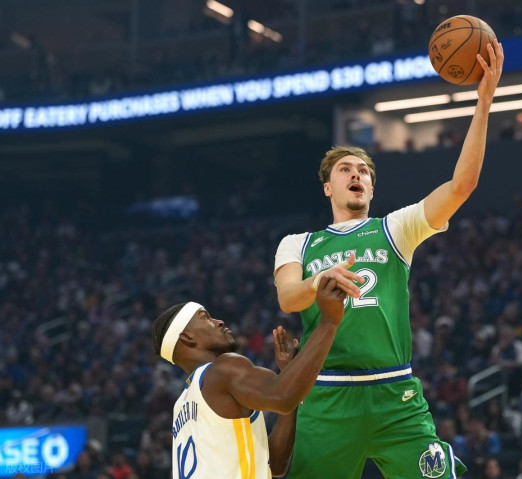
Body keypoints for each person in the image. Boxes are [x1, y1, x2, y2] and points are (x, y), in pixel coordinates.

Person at [274, 40, 504, 479]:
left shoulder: (395, 228)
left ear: (371, 188)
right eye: (345, 169)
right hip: (326, 396)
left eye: (363, 171)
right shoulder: (298, 244)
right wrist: (322, 280)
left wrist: (484, 103)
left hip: (395, 393)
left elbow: (461, 186)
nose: (356, 174)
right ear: (328, 187)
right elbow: (288, 298)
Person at [152, 276, 348, 479]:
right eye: (206, 318)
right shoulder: (223, 369)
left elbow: (275, 464)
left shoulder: (181, 406)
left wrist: (290, 376)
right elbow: (282, 397)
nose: (219, 322)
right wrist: (329, 322)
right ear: (187, 337)